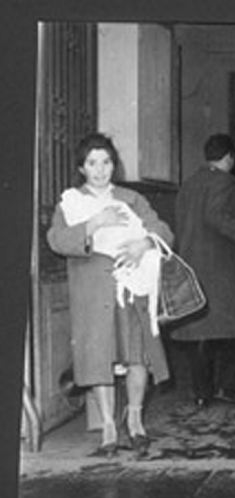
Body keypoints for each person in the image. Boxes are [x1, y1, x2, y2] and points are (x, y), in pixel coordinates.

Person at [47, 132, 174, 458]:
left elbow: (163, 229)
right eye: (92, 163)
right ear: (82, 167)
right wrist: (92, 224)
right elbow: (56, 240)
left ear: (113, 165)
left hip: (130, 288)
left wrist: (144, 243)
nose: (100, 170)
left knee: (136, 354)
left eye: (106, 162)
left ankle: (134, 418)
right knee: (99, 356)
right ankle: (107, 425)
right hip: (92, 289)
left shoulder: (131, 198)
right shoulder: (71, 202)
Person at [170, 134, 235, 407]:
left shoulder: (188, 185)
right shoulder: (226, 182)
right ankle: (228, 388)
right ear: (229, 157)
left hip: (192, 267)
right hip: (223, 269)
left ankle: (201, 393)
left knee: (200, 333)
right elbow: (215, 215)